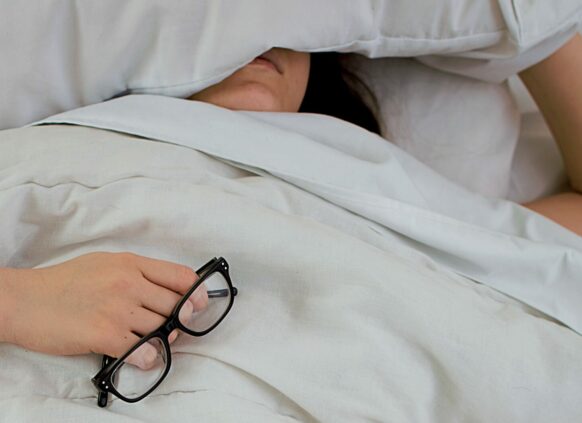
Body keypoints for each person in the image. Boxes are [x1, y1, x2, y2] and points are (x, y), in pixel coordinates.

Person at [1, 35, 581, 366]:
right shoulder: (60, 144)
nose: (257, 32)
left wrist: (530, 21)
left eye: (283, 16)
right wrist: (19, 302)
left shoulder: (383, 189)